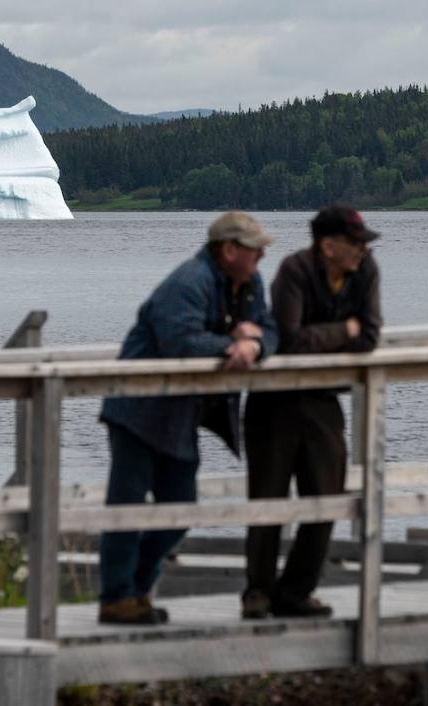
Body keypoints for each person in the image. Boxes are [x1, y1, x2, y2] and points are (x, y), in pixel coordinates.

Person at [97, 211, 279, 625]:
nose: (262, 255)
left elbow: (269, 329)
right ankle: (115, 597)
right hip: (137, 408)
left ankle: (137, 590)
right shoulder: (189, 282)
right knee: (126, 508)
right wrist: (231, 343)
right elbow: (180, 342)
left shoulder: (249, 284)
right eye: (254, 248)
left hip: (179, 413)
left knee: (180, 510)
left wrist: (253, 348)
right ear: (229, 250)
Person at [241, 204, 382, 619]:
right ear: (328, 244)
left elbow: (370, 334)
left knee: (327, 496)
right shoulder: (294, 270)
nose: (362, 250)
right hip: (274, 399)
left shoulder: (366, 270)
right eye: (355, 243)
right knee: (267, 498)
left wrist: (340, 334)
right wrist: (345, 330)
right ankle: (258, 592)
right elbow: (290, 340)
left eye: (362, 243)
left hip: (323, 399)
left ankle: (297, 591)